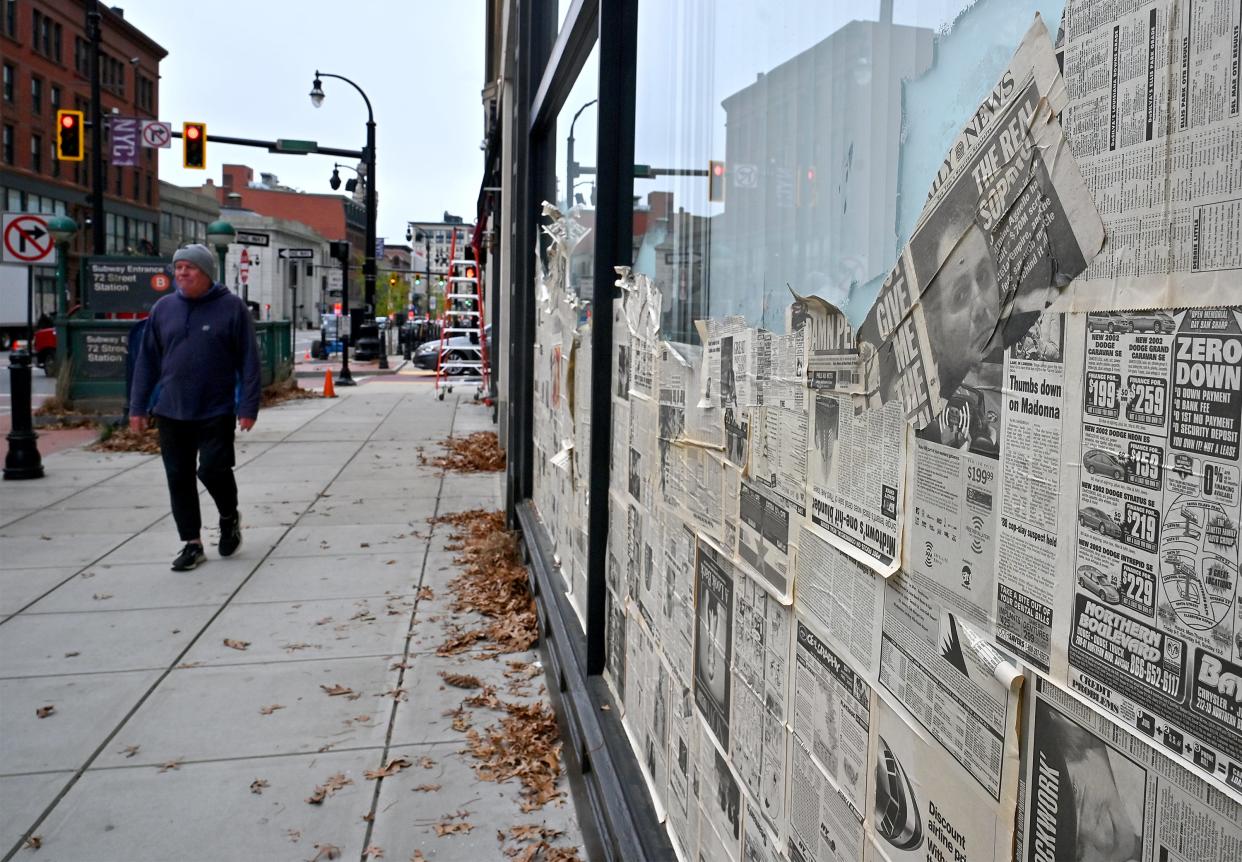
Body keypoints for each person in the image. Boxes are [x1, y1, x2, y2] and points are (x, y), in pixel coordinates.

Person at [129, 244, 261, 572]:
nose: (183, 273)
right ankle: (192, 543)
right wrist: (137, 407)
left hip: (215, 408)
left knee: (212, 469)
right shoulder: (163, 309)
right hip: (171, 409)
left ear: (206, 273)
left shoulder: (231, 308)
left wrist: (248, 406)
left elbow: (249, 361)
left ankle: (229, 517)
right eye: (179, 267)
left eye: (190, 268)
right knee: (178, 476)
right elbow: (146, 361)